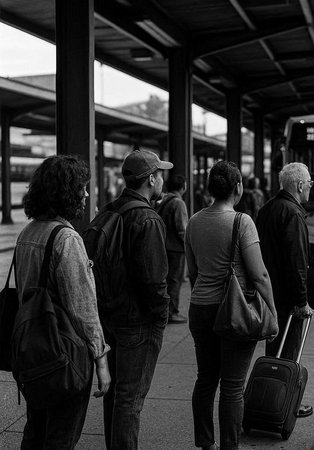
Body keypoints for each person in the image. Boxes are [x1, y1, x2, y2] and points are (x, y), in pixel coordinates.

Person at [15, 155, 111, 449]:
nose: (85, 193)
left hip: (33, 351)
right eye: (81, 187)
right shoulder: (66, 238)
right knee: (61, 436)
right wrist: (101, 360)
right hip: (63, 355)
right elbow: (83, 309)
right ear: (64, 192)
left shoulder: (28, 232)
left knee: (36, 431)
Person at [185, 160, 276, 450]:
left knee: (206, 379)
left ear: (211, 188)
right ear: (238, 187)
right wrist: (272, 311)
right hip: (234, 310)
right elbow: (259, 275)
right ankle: (229, 446)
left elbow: (193, 271)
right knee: (233, 386)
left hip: (200, 307)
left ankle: (205, 442)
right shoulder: (242, 222)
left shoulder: (194, 221)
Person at [101, 149, 173, 450]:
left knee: (116, 394)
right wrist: (161, 313)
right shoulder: (147, 219)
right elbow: (154, 279)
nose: (163, 179)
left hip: (110, 316)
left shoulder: (109, 211)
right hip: (138, 321)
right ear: (151, 179)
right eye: (161, 174)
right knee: (130, 399)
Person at [256, 162, 314, 418]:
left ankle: (270, 398)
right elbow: (297, 260)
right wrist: (302, 300)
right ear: (300, 185)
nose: (310, 188)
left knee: (274, 349)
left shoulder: (267, 208)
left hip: (269, 293)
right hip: (288, 297)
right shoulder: (293, 212)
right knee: (289, 353)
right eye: (309, 184)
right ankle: (286, 402)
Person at [157, 174, 189, 324]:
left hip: (165, 246)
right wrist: (189, 246)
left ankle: (167, 310)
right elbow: (182, 229)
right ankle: (172, 312)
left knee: (168, 280)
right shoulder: (178, 203)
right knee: (175, 281)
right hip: (176, 249)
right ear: (183, 187)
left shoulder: (164, 200)